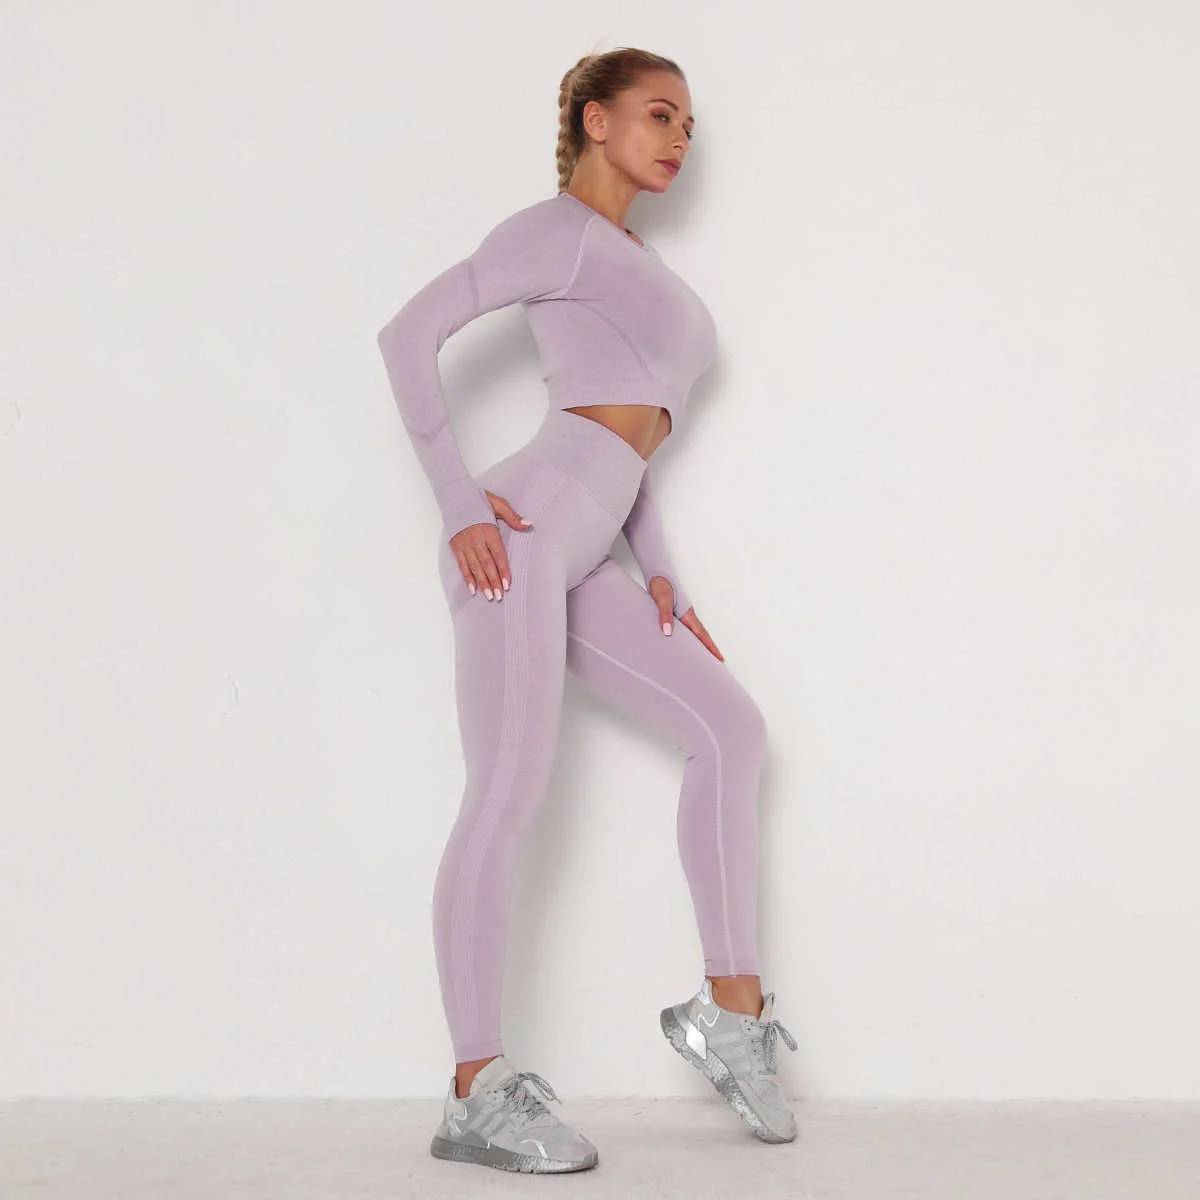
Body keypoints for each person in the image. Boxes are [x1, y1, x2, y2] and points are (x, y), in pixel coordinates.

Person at [376, 47, 798, 1174]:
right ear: (597, 122)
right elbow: (406, 336)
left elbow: (628, 432)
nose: (679, 137)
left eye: (689, 125)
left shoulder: (626, 258)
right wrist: (459, 506)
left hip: (590, 542)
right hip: (518, 538)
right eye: (660, 114)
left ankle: (731, 1016)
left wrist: (659, 569)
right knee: (506, 795)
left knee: (732, 731)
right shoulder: (554, 231)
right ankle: (475, 1089)